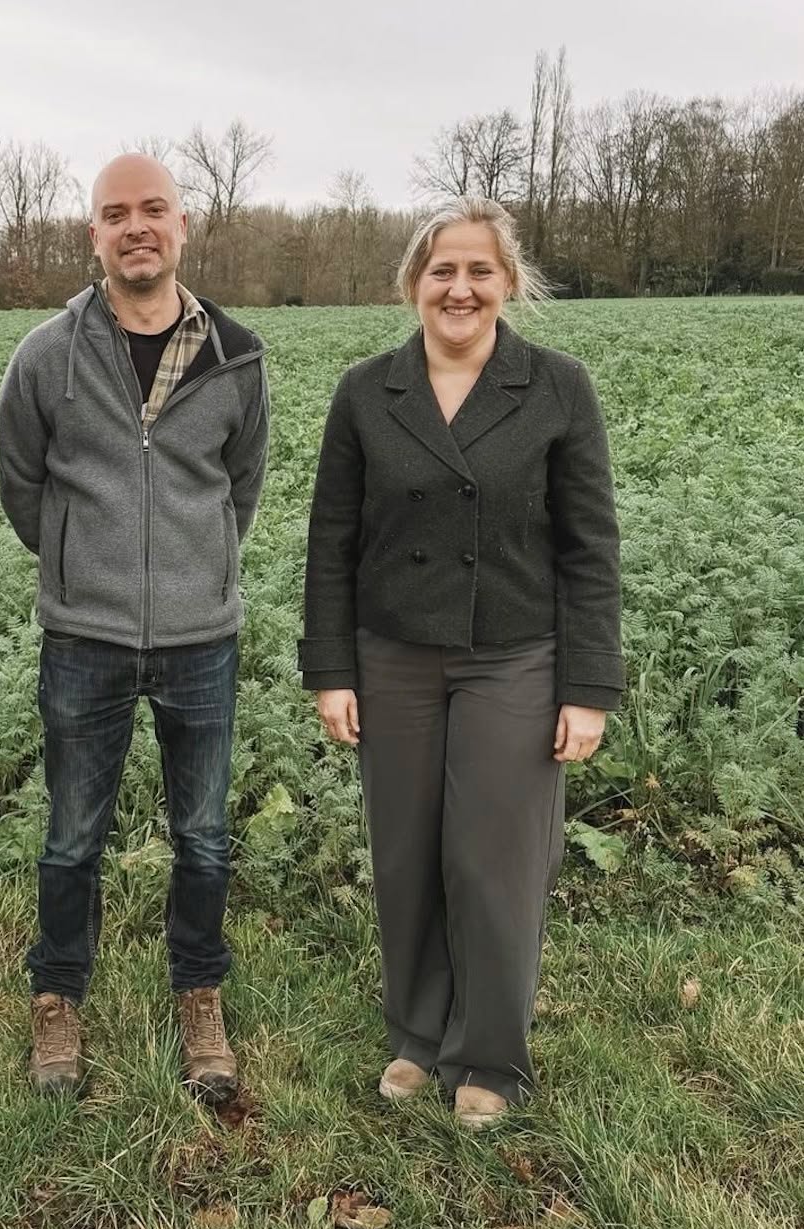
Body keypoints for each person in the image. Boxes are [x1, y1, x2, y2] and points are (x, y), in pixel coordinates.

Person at [299, 196, 623, 1129]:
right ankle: (416, 1032)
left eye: (480, 270)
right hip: (392, 654)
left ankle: (490, 1055)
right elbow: (332, 540)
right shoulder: (368, 391)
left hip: (515, 657)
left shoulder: (557, 386)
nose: (460, 287)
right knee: (405, 853)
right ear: (414, 282)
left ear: (508, 282)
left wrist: (588, 687)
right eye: (443, 270)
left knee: (493, 861)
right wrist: (332, 668)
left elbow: (590, 549)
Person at [0, 153, 270, 1102]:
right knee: (74, 833)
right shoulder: (45, 354)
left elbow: (242, 486)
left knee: (202, 833)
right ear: (95, 236)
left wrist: (198, 569)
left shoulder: (237, 355)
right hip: (86, 636)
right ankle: (58, 998)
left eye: (153, 209)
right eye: (117, 214)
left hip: (203, 638)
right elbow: (22, 485)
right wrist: (81, 562)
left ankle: (199, 994)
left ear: (183, 225)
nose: (136, 227)